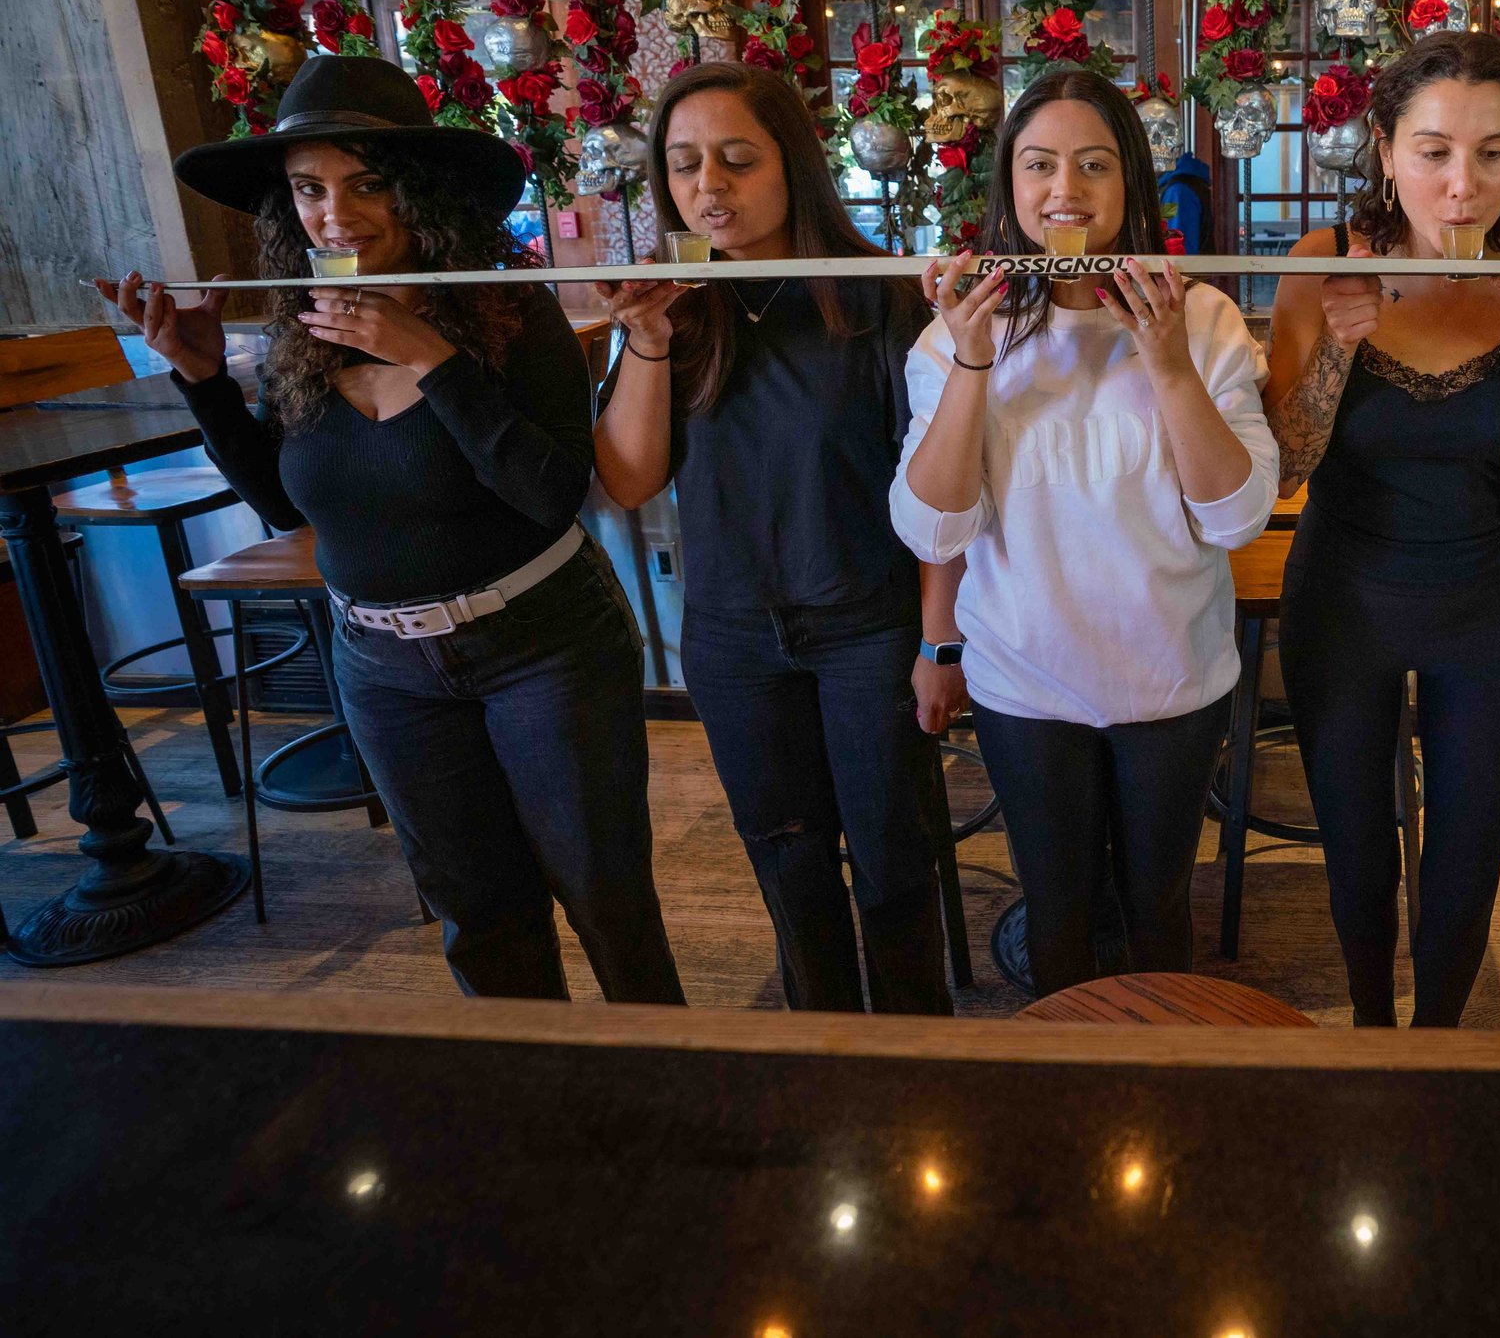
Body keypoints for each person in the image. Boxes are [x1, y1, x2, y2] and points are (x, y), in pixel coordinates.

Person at [104, 54, 683, 1003]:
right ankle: (528, 1088)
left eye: (366, 183)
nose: (335, 214)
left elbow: (553, 494)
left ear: (418, 193)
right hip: (382, 667)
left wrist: (430, 357)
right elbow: (288, 505)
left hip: (542, 645)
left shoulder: (509, 312)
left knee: (605, 896)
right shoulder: (304, 329)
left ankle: (669, 1082)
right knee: (478, 914)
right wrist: (203, 378)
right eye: (309, 189)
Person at [889, 69, 1278, 997]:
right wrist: (972, 361)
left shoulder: (1203, 319)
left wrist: (1169, 365)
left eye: (1094, 164)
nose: (1065, 188)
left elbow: (1236, 517)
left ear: (1129, 181)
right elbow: (933, 525)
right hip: (1026, 682)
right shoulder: (959, 331)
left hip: (1173, 677)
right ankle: (1066, 1070)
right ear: (1009, 185)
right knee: (1056, 907)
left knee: (1159, 905)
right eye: (1040, 165)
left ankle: (1162, 1066)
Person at [592, 62, 959, 1015]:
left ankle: (923, 1059)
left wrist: (939, 641)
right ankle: (820, 1049)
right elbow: (629, 479)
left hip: (869, 627)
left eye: (736, 159)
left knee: (893, 864)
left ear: (792, 162)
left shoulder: (879, 295)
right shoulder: (669, 305)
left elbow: (940, 496)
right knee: (787, 864)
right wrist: (648, 341)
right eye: (683, 165)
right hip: (731, 635)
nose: (708, 185)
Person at [1262, 30, 1500, 1027]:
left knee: (1467, 851)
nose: (1461, 185)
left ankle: (1437, 1043)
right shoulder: (1322, 261)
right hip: (1343, 595)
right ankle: (1371, 1029)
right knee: (1357, 848)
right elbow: (1289, 463)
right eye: (1434, 150)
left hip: (1486, 604)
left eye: (1492, 153)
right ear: (1386, 147)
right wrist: (1337, 345)